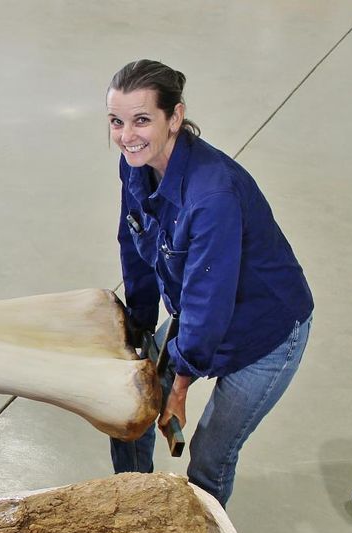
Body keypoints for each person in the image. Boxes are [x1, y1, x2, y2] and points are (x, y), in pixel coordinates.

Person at [105, 59, 313, 508]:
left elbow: (207, 299)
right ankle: (134, 510)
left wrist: (178, 386)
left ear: (174, 118)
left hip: (265, 333)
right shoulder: (135, 165)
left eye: (142, 120)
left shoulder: (211, 195)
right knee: (128, 408)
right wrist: (137, 334)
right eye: (117, 121)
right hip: (204, 313)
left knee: (208, 458)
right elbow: (133, 245)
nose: (127, 135)